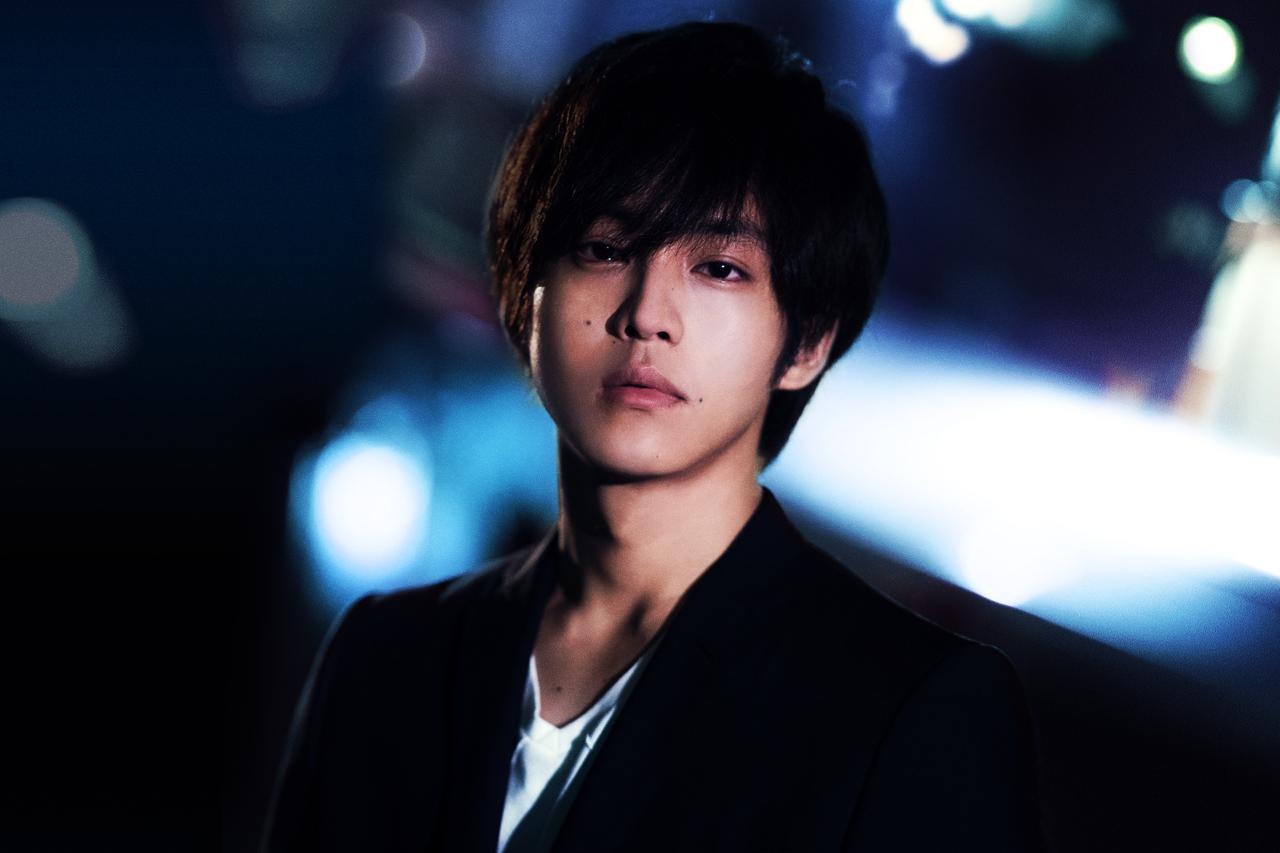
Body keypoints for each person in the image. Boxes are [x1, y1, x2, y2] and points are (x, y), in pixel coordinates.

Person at [263, 21, 1045, 852]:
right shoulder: (384, 655)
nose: (646, 314)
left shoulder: (913, 713)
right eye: (605, 249)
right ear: (526, 294)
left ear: (808, 342)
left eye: (719, 268)